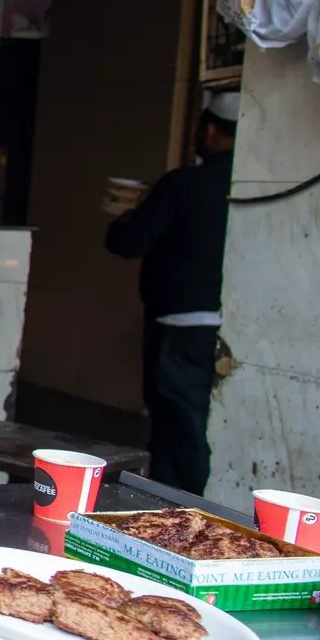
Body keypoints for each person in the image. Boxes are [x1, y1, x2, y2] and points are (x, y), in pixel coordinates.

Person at [104, 91, 236, 493]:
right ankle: (166, 510)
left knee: (177, 428)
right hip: (218, 329)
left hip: (177, 329)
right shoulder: (244, 184)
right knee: (187, 425)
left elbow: (128, 242)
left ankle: (185, 515)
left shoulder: (185, 184)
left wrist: (128, 213)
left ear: (210, 131)